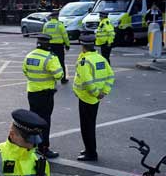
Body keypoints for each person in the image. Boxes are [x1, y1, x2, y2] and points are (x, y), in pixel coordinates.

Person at [73, 33, 115, 162]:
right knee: (90, 125)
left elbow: (87, 81)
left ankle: (91, 153)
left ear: (83, 47)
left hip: (86, 97)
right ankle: (89, 149)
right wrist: (104, 92)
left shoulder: (84, 61)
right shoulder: (100, 58)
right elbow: (111, 75)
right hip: (95, 98)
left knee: (86, 127)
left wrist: (96, 93)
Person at [22, 32, 63, 159]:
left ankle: (32, 146)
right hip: (45, 94)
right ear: (48, 44)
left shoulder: (29, 55)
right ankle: (44, 148)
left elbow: (25, 71)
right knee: (45, 122)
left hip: (32, 92)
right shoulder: (50, 58)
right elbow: (59, 75)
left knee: (33, 120)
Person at [41, 10, 70, 83]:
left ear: (51, 17)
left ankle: (51, 79)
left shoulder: (46, 24)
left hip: (49, 46)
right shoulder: (60, 25)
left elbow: (43, 36)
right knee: (61, 62)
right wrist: (67, 45)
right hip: (58, 46)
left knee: (50, 62)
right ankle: (63, 79)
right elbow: (65, 36)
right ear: (57, 16)